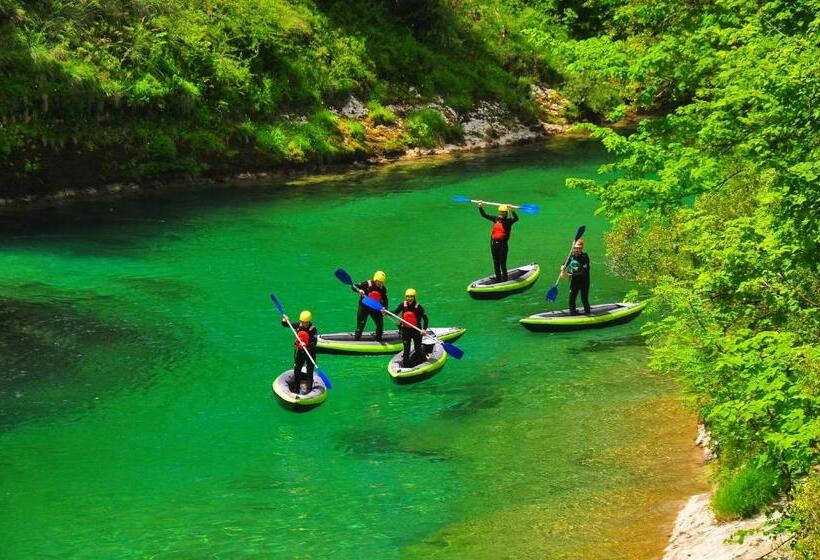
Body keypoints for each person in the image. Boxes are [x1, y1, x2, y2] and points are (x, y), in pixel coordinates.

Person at [478, 201, 519, 282]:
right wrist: (480, 207)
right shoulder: (496, 219)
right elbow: (484, 215)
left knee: (502, 263)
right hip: (494, 244)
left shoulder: (509, 221)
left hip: (503, 245)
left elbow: (516, 219)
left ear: (506, 213)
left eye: (503, 212)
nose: (501, 213)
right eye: (500, 211)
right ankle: (498, 279)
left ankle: (505, 280)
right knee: (496, 262)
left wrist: (512, 210)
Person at [281, 310, 318, 395]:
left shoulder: (312, 329)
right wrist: (284, 320)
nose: (302, 323)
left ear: (308, 321)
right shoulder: (298, 325)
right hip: (300, 351)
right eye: (301, 321)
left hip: (310, 352)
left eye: (304, 322)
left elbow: (314, 342)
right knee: (297, 369)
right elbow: (285, 324)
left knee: (309, 371)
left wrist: (307, 344)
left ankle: (308, 391)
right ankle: (296, 389)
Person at [390, 288, 429, 368]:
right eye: (407, 296)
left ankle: (422, 360)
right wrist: (386, 312)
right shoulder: (403, 305)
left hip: (416, 330)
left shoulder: (418, 307)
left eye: (411, 296)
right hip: (405, 330)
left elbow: (426, 319)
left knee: (417, 349)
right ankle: (405, 365)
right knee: (406, 349)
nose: (409, 298)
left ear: (414, 297)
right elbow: (395, 312)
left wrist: (424, 329)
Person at [353, 270, 388, 341]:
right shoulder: (367, 284)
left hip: (375, 308)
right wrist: (359, 290)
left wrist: (385, 308)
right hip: (364, 307)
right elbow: (354, 286)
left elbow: (385, 299)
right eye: (379, 281)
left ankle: (378, 339)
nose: (380, 283)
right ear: (375, 280)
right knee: (360, 325)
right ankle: (356, 340)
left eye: (382, 282)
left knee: (380, 325)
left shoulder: (383, 289)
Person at [561, 240, 591, 315]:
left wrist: (569, 275)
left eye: (579, 248)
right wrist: (562, 268)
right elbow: (564, 263)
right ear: (573, 248)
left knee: (584, 298)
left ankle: (587, 312)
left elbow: (583, 273)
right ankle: (572, 312)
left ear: (582, 248)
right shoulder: (571, 256)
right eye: (575, 248)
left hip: (584, 281)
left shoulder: (584, 257)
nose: (577, 250)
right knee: (571, 298)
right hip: (574, 281)